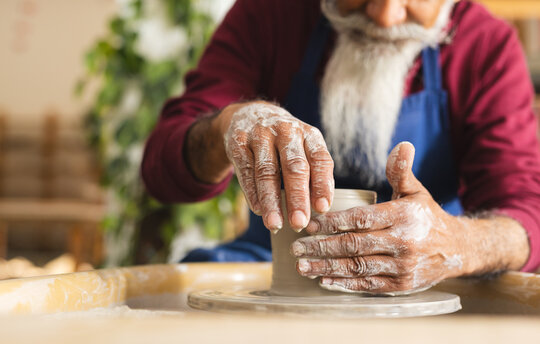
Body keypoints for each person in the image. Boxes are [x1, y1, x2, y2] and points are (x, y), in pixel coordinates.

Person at [142, 0, 540, 294]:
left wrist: (458, 244)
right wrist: (228, 126)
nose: (385, 16)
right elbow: (163, 170)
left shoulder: (486, 47)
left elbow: (527, 214)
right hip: (274, 269)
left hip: (425, 282)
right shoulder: (270, 14)